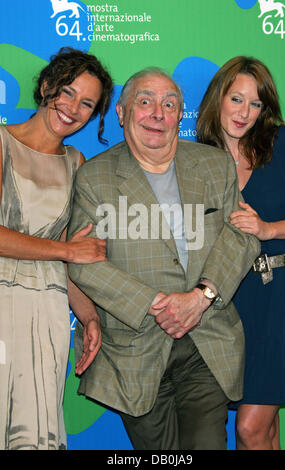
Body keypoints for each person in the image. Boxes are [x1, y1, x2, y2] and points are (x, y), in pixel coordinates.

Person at [67, 66, 260, 450]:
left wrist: (200, 297)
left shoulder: (215, 165)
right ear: (122, 114)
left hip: (206, 339)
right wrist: (156, 305)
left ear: (179, 115)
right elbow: (82, 260)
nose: (158, 113)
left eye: (169, 104)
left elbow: (242, 233)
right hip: (133, 350)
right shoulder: (94, 178)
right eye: (145, 102)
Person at [0, 47, 113, 450]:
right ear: (46, 86)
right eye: (67, 92)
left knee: (33, 427)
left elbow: (72, 254)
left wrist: (89, 318)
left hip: (47, 312)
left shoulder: (76, 162)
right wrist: (66, 251)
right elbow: (65, 251)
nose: (73, 109)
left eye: (87, 103)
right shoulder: (1, 141)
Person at [196, 56, 285, 450]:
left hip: (283, 294)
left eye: (255, 104)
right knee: (266, 430)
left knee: (249, 428)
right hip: (230, 302)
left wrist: (269, 229)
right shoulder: (199, 159)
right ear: (217, 98)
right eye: (236, 99)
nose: (244, 112)